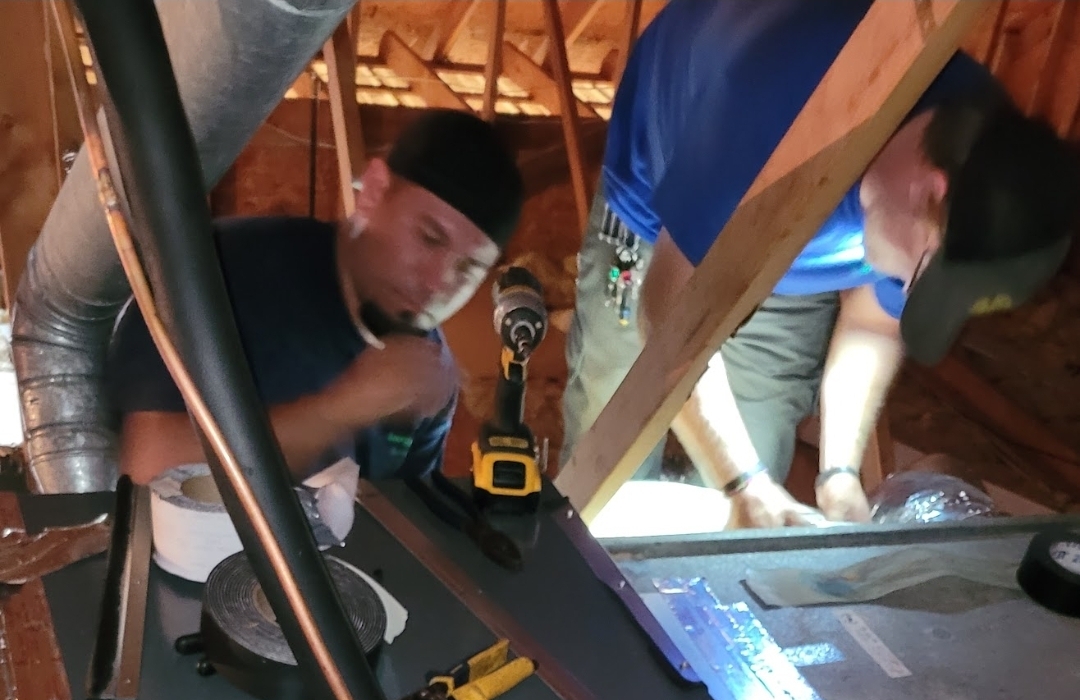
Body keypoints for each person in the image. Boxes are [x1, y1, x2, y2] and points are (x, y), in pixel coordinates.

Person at [562, 0, 1080, 526]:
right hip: (666, 216)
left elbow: (874, 326)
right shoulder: (774, 115)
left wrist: (839, 477)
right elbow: (668, 313)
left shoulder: (978, 168)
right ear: (928, 186)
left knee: (758, 456)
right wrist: (741, 482)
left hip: (793, 246)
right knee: (611, 444)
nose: (904, 285)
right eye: (919, 275)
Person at [107, 109, 524, 485]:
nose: (437, 283)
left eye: (468, 270)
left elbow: (409, 528)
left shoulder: (429, 372)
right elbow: (150, 469)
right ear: (374, 191)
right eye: (429, 238)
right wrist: (341, 409)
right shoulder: (222, 275)